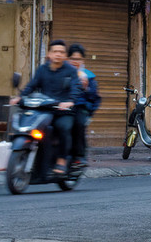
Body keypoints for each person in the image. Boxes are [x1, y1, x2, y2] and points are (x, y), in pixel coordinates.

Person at [20, 38, 79, 176]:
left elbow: (76, 88)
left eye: (61, 52)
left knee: (63, 127)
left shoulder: (71, 70)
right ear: (49, 54)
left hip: (63, 111)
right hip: (44, 109)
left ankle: (62, 160)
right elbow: (31, 85)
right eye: (55, 51)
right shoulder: (42, 69)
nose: (58, 54)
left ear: (65, 55)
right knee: (32, 127)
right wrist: (20, 97)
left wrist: (70, 101)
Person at [67, 42, 100, 169]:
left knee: (78, 124)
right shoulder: (62, 72)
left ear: (83, 60)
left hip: (81, 108)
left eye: (78, 59)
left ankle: (79, 156)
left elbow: (94, 97)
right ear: (68, 59)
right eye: (73, 59)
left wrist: (86, 88)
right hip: (62, 107)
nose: (75, 62)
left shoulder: (88, 76)